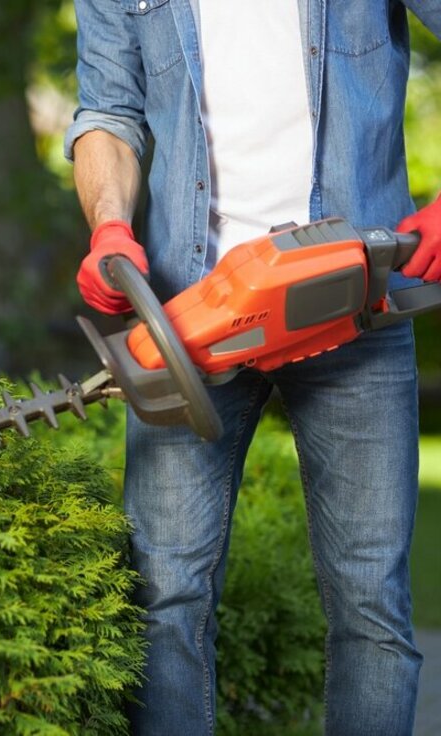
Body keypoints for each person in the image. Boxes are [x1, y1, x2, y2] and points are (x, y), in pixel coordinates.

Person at [64, 1, 441, 734]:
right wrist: (109, 221)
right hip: (195, 311)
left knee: (371, 607)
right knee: (164, 596)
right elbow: (107, 109)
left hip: (355, 296)